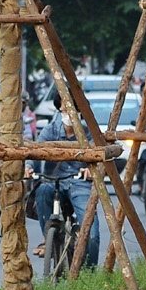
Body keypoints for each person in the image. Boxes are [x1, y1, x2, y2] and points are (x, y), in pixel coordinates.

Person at [30, 104, 100, 268]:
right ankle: (47, 237)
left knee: (91, 235)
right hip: (53, 181)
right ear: (59, 111)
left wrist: (91, 168)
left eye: (72, 110)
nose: (68, 114)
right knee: (42, 190)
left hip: (80, 184)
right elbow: (34, 152)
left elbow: (98, 157)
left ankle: (91, 276)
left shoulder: (89, 133)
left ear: (80, 112)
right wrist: (28, 167)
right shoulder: (50, 131)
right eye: (65, 110)